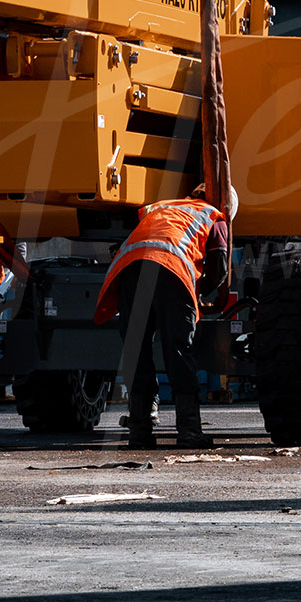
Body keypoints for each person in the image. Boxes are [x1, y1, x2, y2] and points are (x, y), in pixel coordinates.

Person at [93, 186, 233, 450]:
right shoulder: (214, 216)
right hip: (171, 271)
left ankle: (140, 433)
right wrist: (200, 296)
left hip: (130, 272)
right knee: (178, 350)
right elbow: (219, 269)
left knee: (137, 353)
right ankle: (189, 431)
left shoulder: (161, 206)